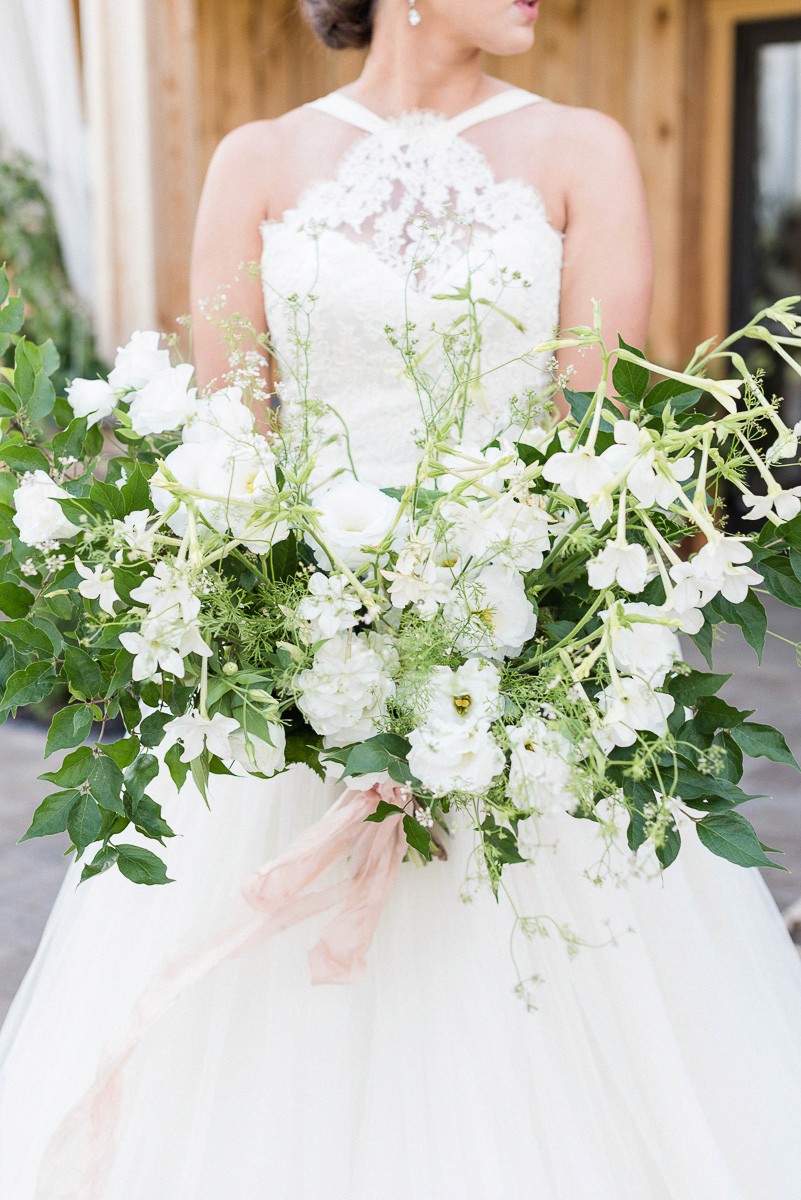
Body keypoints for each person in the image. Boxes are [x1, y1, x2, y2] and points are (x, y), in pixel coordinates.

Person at [2, 1, 801, 1196]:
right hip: (299, 663)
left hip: (517, 656)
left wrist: (495, 618)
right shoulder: (256, 160)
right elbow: (233, 448)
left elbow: (591, 438)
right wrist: (291, 627)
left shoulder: (584, 151)